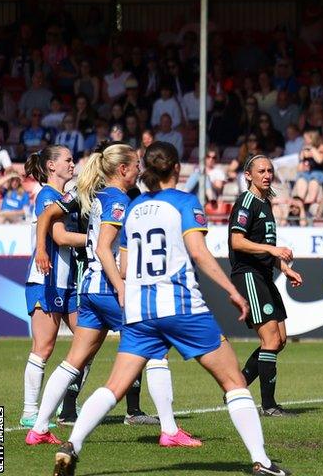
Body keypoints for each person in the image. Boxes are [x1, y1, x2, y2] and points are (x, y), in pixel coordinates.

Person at [51, 141, 289, 476]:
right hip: (180, 306)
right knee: (234, 381)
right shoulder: (184, 202)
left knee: (114, 386)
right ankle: (262, 461)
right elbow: (201, 254)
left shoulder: (133, 209)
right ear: (176, 169)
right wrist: (231, 290)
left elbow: (125, 258)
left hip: (139, 310)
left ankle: (72, 444)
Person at [27, 143, 191, 447]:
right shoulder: (117, 200)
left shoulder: (97, 195)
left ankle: (38, 428)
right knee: (156, 350)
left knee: (73, 360)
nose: (141, 170)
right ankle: (170, 431)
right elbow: (104, 248)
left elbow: (51, 215)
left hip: (88, 288)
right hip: (106, 286)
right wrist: (120, 285)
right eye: (137, 165)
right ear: (123, 170)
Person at [229, 155, 304, 417]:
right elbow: (237, 242)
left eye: (270, 170)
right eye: (261, 170)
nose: (267, 174)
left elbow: (262, 246)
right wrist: (272, 249)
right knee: (270, 339)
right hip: (248, 275)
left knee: (280, 340)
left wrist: (283, 267)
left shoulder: (265, 202)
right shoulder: (246, 202)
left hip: (263, 273)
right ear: (248, 175)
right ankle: (269, 406)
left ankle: (235, 388)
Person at [20, 146, 83, 429]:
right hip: (46, 280)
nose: (73, 164)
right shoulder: (47, 196)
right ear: (51, 166)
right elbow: (59, 236)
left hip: (68, 282)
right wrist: (96, 240)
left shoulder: (63, 198)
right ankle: (30, 410)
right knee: (43, 348)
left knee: (87, 343)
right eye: (68, 160)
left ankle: (64, 403)